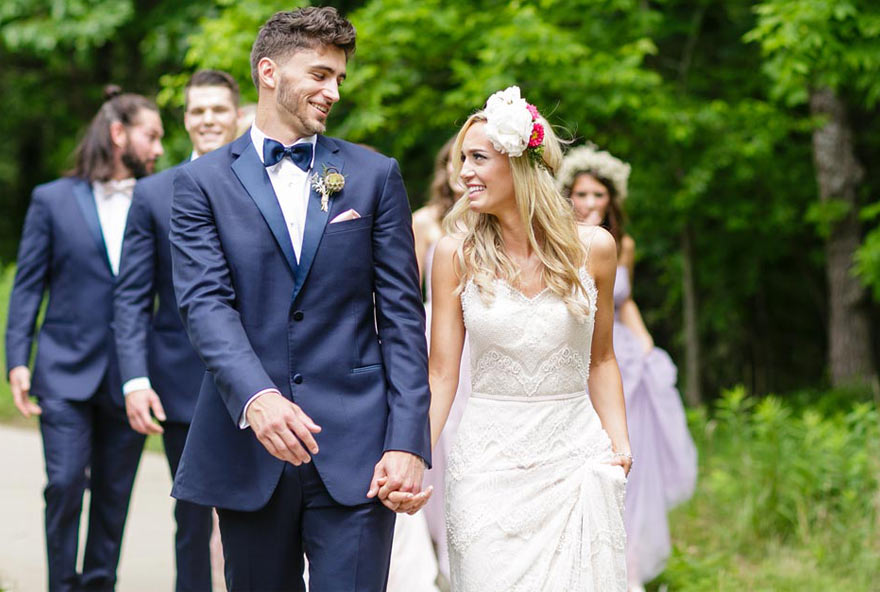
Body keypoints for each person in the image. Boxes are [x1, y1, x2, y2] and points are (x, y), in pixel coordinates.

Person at [167, 7, 432, 591]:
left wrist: (408, 441)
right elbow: (205, 305)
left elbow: (403, 320)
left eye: (338, 77)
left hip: (359, 449)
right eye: (319, 74)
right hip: (250, 447)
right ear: (269, 71)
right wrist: (256, 397)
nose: (333, 90)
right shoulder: (199, 185)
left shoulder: (373, 175)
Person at [424, 86, 631, 591]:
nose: (463, 173)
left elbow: (601, 360)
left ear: (519, 164)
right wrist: (412, 455)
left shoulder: (595, 249)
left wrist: (620, 444)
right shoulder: (455, 254)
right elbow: (441, 372)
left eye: (477, 158)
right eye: (460, 160)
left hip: (574, 458)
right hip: (486, 465)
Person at [5, 86, 164, 592]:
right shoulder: (51, 198)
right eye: (152, 135)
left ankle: (99, 584)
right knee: (66, 482)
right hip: (63, 369)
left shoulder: (160, 200)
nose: (159, 148)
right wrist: (17, 358)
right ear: (119, 134)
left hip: (132, 375)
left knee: (115, 494)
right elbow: (30, 283)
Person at [113, 69, 241, 592]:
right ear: (185, 119)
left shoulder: (272, 181)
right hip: (183, 384)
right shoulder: (152, 193)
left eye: (218, 109)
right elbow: (131, 296)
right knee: (192, 520)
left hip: (271, 379)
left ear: (237, 114)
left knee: (264, 519)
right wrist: (135, 379)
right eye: (197, 110)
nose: (208, 119)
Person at [557, 143, 698, 591]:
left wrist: (645, 340)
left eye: (598, 195)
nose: (590, 203)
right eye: (581, 194)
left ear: (611, 199)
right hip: (576, 353)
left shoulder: (623, 245)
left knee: (626, 454)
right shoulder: (558, 239)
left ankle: (628, 564)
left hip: (622, 358)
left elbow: (625, 299)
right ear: (569, 197)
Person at [410, 137, 468, 582]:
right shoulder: (426, 222)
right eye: (457, 160)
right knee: (442, 441)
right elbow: (406, 291)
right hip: (437, 333)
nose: (464, 169)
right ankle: (437, 539)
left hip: (480, 339)